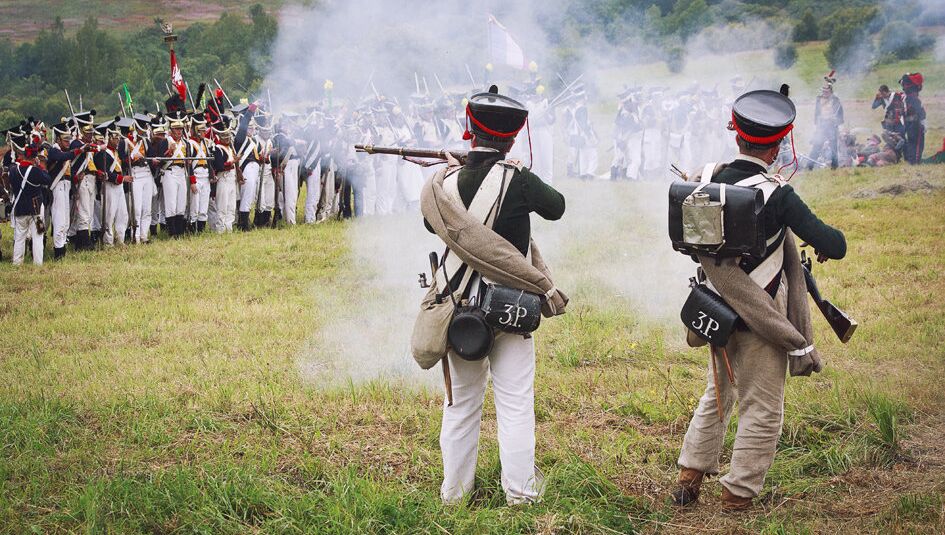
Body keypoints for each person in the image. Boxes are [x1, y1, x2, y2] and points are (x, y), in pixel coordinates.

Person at [672, 89, 847, 510]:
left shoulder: (705, 175)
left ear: (737, 135)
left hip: (713, 310)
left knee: (719, 392)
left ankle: (689, 476)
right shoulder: (778, 193)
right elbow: (835, 244)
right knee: (764, 408)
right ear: (781, 141)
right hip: (761, 316)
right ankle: (737, 494)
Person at [425, 85, 567, 506]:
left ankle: (454, 495)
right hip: (512, 308)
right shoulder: (518, 180)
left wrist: (456, 173)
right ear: (512, 135)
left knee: (461, 405)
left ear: (470, 128)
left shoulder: (444, 184)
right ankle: (520, 495)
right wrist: (516, 172)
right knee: (516, 405)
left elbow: (432, 226)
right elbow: (556, 206)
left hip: (460, 308)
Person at [8, 137, 53, 265]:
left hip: (20, 209)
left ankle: (17, 263)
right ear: (34, 157)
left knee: (19, 237)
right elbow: (48, 179)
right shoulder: (36, 171)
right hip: (36, 209)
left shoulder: (13, 170)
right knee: (38, 236)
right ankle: (38, 263)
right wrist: (39, 166)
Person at [807, 81, 844, 169]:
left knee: (833, 148)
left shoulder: (835, 100)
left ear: (831, 92)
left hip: (832, 126)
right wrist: (817, 124)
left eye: (826, 91)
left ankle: (834, 167)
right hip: (821, 126)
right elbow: (817, 112)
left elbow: (840, 114)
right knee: (816, 145)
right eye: (823, 91)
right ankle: (809, 166)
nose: (824, 93)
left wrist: (836, 121)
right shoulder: (819, 99)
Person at [900, 73, 926, 164]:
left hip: (908, 123)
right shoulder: (914, 99)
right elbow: (921, 113)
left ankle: (911, 161)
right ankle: (916, 161)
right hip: (915, 123)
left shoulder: (904, 98)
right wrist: (923, 123)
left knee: (911, 142)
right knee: (918, 142)